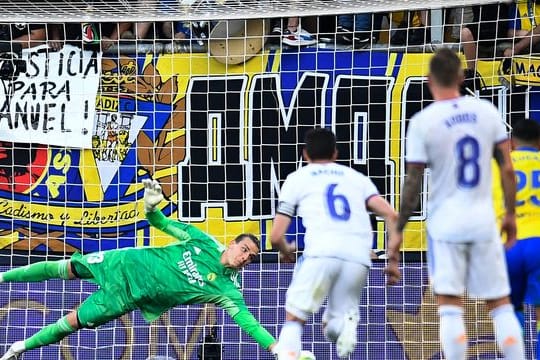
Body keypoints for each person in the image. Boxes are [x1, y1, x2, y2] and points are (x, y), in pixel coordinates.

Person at [0, 179, 277, 360]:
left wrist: (275, 348)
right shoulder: (203, 240)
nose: (245, 258)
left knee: (70, 324)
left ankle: (19, 348)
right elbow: (159, 222)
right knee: (65, 267)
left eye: (251, 258)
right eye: (244, 250)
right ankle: (2, 276)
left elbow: (249, 324)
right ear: (232, 244)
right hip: (123, 262)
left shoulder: (228, 290)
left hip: (127, 297)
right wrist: (150, 206)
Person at [384, 47, 525, 360]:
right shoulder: (486, 113)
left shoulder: (423, 122)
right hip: (482, 219)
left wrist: (399, 229)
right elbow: (507, 168)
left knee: (449, 308)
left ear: (427, 80)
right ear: (461, 77)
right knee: (500, 304)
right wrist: (511, 215)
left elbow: (412, 183)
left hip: (445, 223)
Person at [270, 128, 398, 359]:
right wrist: (393, 259)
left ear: (305, 154)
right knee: (332, 329)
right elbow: (392, 215)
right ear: (336, 153)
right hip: (359, 257)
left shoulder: (298, 178)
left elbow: (275, 235)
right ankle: (344, 324)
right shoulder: (357, 179)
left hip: (321, 252)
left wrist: (285, 249)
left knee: (294, 318)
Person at [493, 119, 540, 358]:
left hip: (508, 244)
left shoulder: (499, 166)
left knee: (510, 310)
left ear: (511, 143)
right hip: (539, 241)